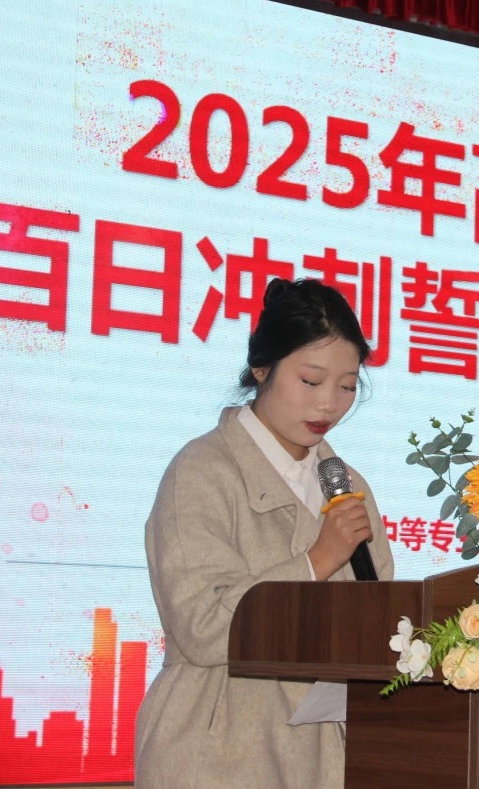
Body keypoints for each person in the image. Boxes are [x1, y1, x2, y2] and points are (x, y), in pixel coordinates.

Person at [134, 278, 394, 789]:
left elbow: (377, 616)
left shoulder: (347, 484)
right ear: (261, 368)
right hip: (218, 747)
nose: (329, 404)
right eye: (311, 381)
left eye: (347, 386)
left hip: (323, 754)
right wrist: (315, 561)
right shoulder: (202, 470)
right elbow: (202, 626)